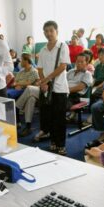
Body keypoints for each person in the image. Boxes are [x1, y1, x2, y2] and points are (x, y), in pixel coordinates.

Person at [34, 20, 70, 156]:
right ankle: (53, 142)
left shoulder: (62, 46)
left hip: (59, 89)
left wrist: (46, 80)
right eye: (46, 31)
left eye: (51, 30)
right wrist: (43, 83)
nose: (48, 33)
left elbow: (62, 66)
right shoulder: (43, 49)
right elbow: (40, 68)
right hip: (46, 89)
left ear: (57, 31)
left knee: (59, 118)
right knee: (50, 118)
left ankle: (61, 145)